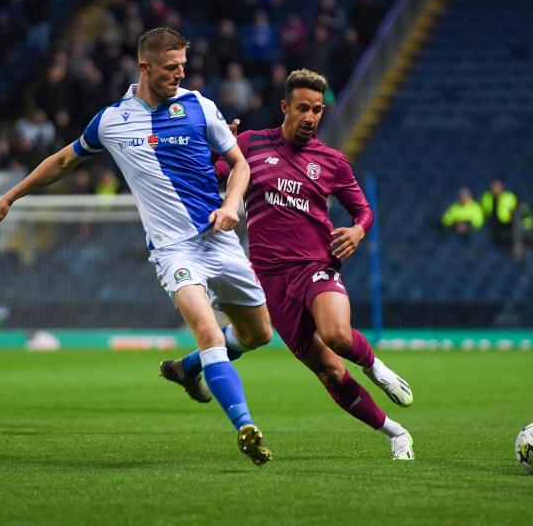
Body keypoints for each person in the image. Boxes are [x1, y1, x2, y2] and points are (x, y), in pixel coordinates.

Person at [0, 28, 275, 466]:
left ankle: (188, 369)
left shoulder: (200, 106)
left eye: (183, 65)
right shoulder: (112, 120)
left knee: (258, 334)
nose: (180, 73)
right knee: (209, 331)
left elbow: (239, 164)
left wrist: (232, 203)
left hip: (219, 238)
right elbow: (62, 160)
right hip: (173, 250)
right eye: (172, 67)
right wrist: (9, 196)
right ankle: (246, 425)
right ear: (145, 67)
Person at [162, 69, 415, 460]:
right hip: (268, 280)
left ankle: (376, 367)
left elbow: (362, 209)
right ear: (285, 107)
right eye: (303, 108)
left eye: (317, 110)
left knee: (336, 334)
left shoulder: (332, 162)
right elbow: (208, 178)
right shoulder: (250, 145)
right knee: (329, 371)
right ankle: (396, 433)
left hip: (316, 265)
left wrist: (358, 231)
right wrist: (214, 147)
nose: (311, 117)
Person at [480, 179, 533, 246]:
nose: (495, 189)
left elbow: (520, 211)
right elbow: (482, 211)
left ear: (502, 187)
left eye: (497, 187)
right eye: (493, 187)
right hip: (492, 225)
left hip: (506, 225)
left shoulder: (509, 197)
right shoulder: (486, 198)